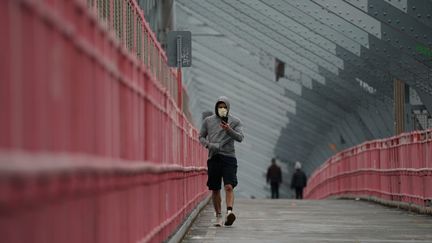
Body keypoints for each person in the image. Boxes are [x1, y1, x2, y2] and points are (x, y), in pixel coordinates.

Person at [199, 96, 244, 227]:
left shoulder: (235, 121)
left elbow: (240, 138)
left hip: (229, 157)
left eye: (224, 107)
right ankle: (218, 215)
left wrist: (228, 129)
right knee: (215, 189)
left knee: (229, 186)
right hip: (214, 157)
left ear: (228, 108)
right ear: (216, 107)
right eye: (220, 107)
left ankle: (229, 212)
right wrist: (209, 145)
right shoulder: (208, 121)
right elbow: (200, 136)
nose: (222, 109)